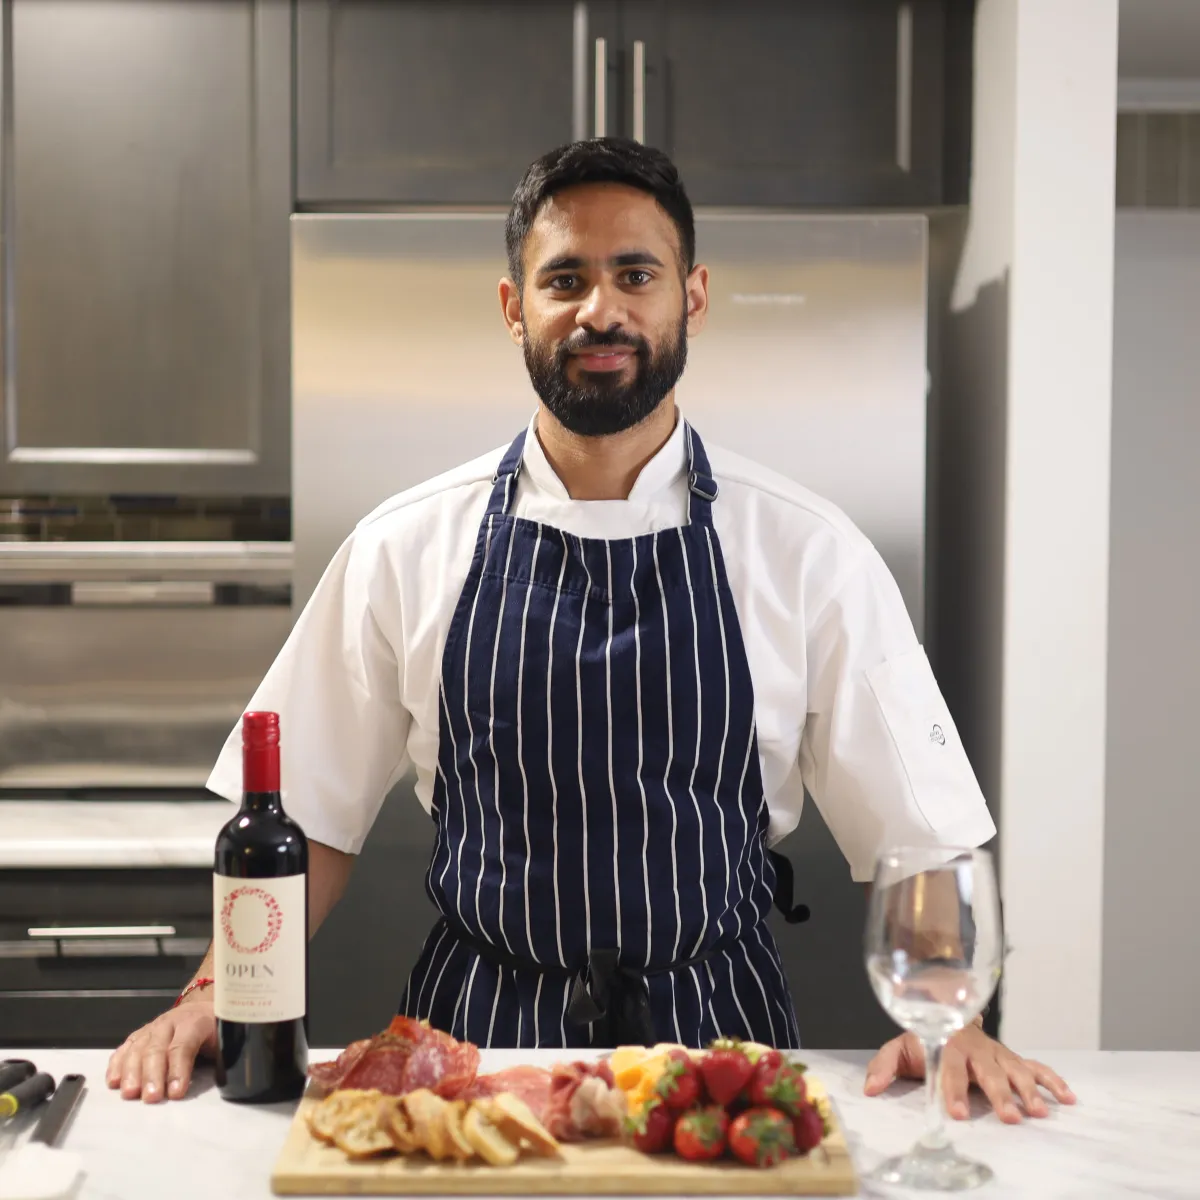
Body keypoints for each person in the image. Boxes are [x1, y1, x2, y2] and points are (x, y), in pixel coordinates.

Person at [107, 138, 1073, 1124]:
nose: (600, 310)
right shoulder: (404, 545)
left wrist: (955, 1021)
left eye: (636, 275)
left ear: (690, 297)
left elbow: (927, 841)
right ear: (513, 306)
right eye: (564, 278)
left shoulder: (808, 551)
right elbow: (304, 820)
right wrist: (212, 996)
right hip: (470, 1056)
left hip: (721, 1057)